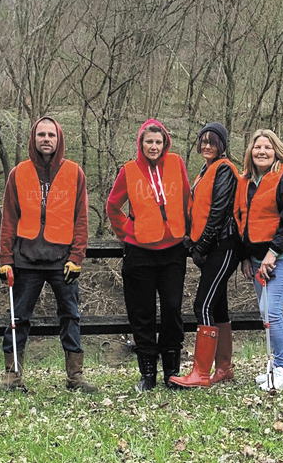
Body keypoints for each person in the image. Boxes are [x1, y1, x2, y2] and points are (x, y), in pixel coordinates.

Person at [0, 116, 95, 393]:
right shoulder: (18, 173)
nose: (46, 139)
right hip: (25, 260)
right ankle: (12, 375)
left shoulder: (75, 173)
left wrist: (77, 257)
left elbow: (81, 219)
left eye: (51, 135)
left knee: (70, 317)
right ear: (33, 138)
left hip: (62, 261)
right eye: (41, 134)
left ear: (59, 138)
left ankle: (75, 376)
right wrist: (5, 259)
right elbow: (8, 219)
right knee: (18, 319)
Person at [106, 119, 191, 391]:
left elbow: (187, 199)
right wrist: (127, 232)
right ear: (141, 145)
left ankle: (172, 372)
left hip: (173, 250)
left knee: (172, 309)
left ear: (165, 144)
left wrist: (188, 229)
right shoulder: (129, 170)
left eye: (158, 142)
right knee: (141, 313)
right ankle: (148, 374)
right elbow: (113, 206)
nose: (154, 147)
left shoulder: (177, 163)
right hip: (140, 251)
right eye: (149, 142)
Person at [235, 129, 283, 391]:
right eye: (257, 147)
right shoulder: (246, 181)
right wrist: (246, 256)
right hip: (256, 257)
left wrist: (272, 253)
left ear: (277, 150)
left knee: (272, 311)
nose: (262, 152)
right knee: (267, 312)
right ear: (250, 152)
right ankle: (280, 363)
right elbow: (243, 220)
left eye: (267, 147)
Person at [169, 122, 240, 389]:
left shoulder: (224, 169)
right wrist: (192, 240)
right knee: (218, 305)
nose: (207, 146)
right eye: (203, 141)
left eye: (213, 141)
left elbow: (218, 212)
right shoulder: (205, 170)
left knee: (203, 305)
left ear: (222, 145)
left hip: (223, 245)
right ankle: (223, 368)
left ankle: (200, 373)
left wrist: (201, 246)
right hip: (213, 246)